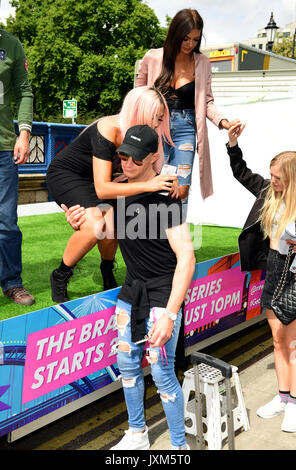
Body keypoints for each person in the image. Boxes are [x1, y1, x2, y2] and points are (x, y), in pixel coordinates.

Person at [46, 86, 177, 303]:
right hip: (68, 175)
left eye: (161, 118)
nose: (158, 124)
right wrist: (149, 185)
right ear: (141, 112)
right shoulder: (109, 128)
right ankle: (60, 275)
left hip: (101, 180)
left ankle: (107, 270)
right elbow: (103, 189)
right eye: (156, 118)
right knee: (95, 226)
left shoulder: (145, 135)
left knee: (113, 223)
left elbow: (141, 180)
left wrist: (165, 185)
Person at [108, 124, 195, 450]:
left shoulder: (167, 199)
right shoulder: (116, 190)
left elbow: (186, 258)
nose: (126, 162)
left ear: (152, 158)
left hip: (162, 297)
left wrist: (170, 315)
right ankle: (138, 434)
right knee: (128, 368)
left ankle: (178, 447)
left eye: (134, 157)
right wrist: (73, 213)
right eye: (122, 155)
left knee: (161, 373)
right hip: (131, 293)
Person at [226, 122, 296, 433]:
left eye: (278, 178)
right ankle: (283, 397)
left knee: (292, 344)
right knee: (277, 341)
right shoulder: (269, 193)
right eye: (271, 175)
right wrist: (232, 146)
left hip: (294, 275)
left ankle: (294, 403)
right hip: (273, 268)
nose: (272, 181)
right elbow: (242, 173)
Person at [135, 8, 241, 212]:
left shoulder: (202, 63)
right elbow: (137, 95)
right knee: (156, 183)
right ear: (175, 34)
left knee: (181, 187)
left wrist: (224, 122)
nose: (190, 44)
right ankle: (154, 238)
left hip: (186, 129)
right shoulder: (153, 57)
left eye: (195, 39)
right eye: (186, 39)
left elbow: (207, 101)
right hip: (156, 128)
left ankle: (177, 238)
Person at [0, 29, 35, 306]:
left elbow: (24, 91)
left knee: (6, 219)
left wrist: (23, 133)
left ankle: (12, 282)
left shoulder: (11, 44)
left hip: (2, 146)